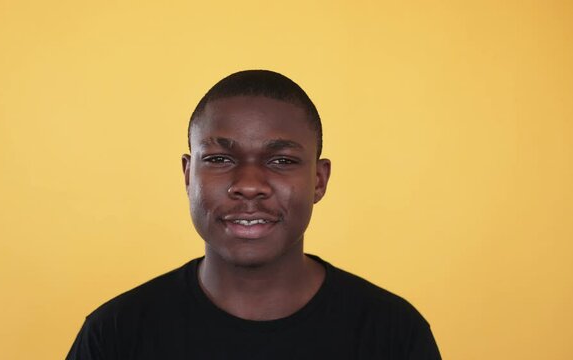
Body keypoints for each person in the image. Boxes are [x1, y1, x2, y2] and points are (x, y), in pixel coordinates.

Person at [66, 70, 441, 359]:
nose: (249, 184)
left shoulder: (392, 334)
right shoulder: (117, 334)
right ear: (188, 175)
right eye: (219, 159)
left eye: (281, 160)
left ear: (318, 180)